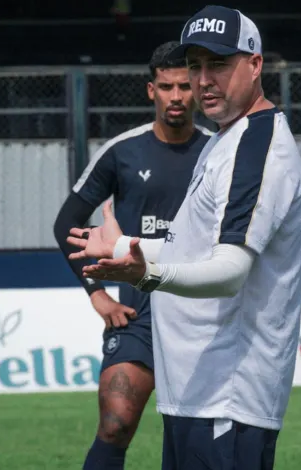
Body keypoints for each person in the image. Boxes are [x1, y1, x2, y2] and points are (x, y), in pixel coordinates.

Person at [66, 5, 301, 470]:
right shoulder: (225, 141)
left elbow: (230, 271)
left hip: (227, 402)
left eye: (217, 64)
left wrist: (148, 273)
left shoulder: (257, 148)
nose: (202, 80)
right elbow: (194, 248)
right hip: (197, 395)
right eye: (194, 66)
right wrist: (119, 246)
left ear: (255, 64)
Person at [53, 40, 212, 470]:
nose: (176, 97)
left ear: (198, 89)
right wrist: (97, 294)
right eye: (166, 87)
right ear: (151, 91)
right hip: (138, 315)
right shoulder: (123, 151)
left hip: (201, 315)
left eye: (184, 86)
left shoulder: (220, 153)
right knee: (116, 425)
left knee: (195, 442)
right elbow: (65, 224)